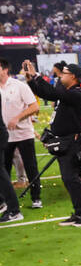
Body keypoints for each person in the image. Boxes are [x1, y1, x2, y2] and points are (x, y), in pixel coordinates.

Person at [22, 61, 81, 226]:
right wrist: (30, 80)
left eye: (65, 73)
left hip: (73, 141)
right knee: (68, 179)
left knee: (71, 178)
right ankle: (80, 212)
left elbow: (53, 92)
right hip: (63, 141)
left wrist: (36, 76)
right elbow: (47, 94)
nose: (61, 75)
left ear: (74, 76)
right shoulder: (66, 91)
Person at [0, 57, 41, 210]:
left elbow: (34, 106)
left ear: (5, 69)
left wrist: (17, 118)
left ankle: (36, 197)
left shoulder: (19, 86)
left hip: (23, 134)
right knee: (4, 169)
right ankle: (4, 201)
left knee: (31, 167)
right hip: (5, 136)